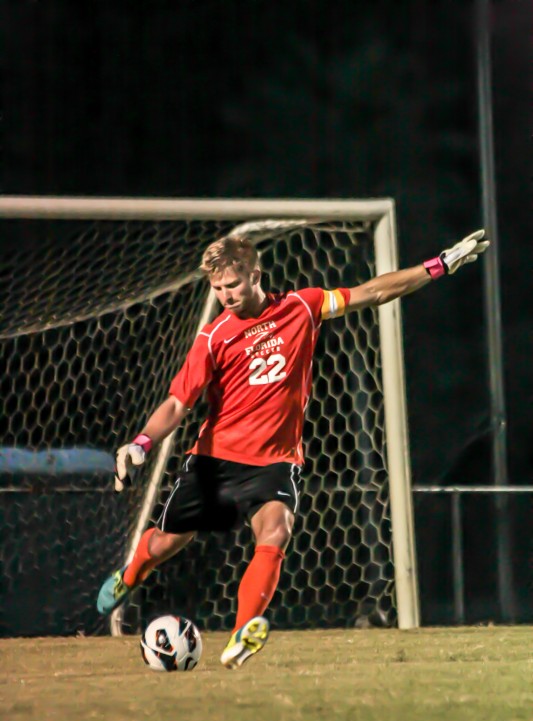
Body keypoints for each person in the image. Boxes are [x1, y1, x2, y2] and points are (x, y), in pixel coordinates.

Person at [97, 229, 489, 668]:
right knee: (167, 543)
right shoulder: (213, 337)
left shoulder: (303, 306)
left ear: (255, 275)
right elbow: (177, 402)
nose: (226, 295)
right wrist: (141, 443)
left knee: (276, 531)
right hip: (214, 460)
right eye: (218, 287)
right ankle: (131, 574)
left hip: (276, 462)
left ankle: (244, 632)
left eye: (233, 284)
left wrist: (437, 265)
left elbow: (373, 292)